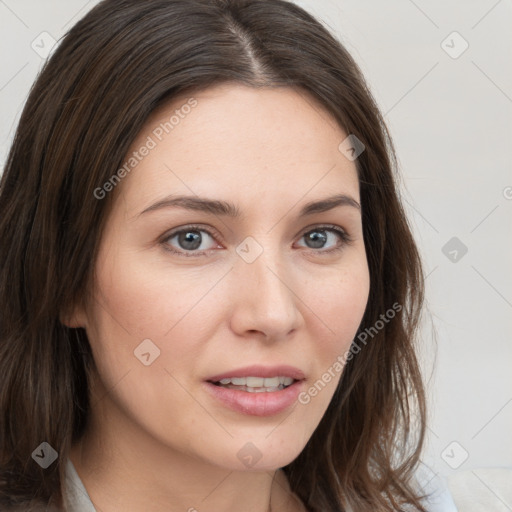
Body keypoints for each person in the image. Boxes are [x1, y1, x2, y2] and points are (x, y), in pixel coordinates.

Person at [0, 0, 458, 510]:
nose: (274, 313)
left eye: (319, 237)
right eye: (190, 238)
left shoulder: (419, 501)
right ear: (63, 276)